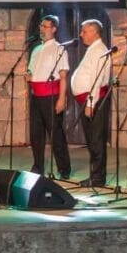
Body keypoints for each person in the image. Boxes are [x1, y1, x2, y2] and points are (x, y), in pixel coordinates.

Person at [27, 15, 71, 179]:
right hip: (36, 96)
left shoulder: (59, 49)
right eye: (41, 26)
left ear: (54, 29)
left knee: (56, 134)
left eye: (46, 27)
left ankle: (64, 168)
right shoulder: (36, 50)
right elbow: (31, 71)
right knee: (36, 134)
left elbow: (63, 76)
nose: (42, 29)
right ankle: (37, 166)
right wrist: (28, 76)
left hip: (51, 96)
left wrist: (61, 98)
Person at [70, 19, 113, 188]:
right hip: (88, 100)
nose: (81, 34)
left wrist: (90, 103)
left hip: (94, 101)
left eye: (84, 31)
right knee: (91, 140)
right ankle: (95, 175)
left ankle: (98, 178)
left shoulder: (100, 51)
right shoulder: (93, 49)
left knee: (96, 140)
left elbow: (97, 79)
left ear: (95, 32)